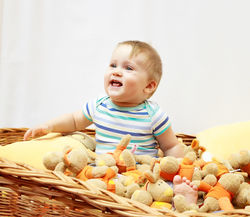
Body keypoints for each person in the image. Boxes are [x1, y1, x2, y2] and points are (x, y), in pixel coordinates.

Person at [24, 40, 184, 158]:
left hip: (139, 179)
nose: (116, 72)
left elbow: (170, 146)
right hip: (103, 172)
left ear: (149, 86)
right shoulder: (100, 105)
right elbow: (74, 120)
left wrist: (176, 169)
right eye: (113, 65)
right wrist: (49, 126)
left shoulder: (153, 115)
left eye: (128, 68)